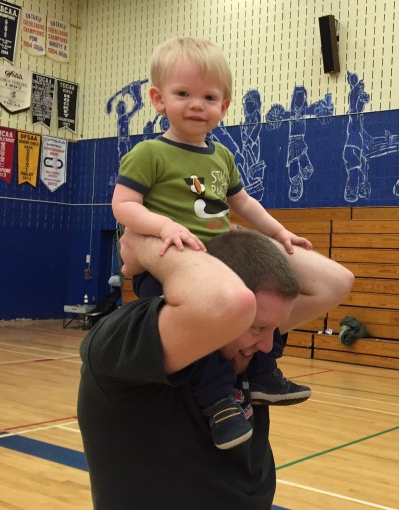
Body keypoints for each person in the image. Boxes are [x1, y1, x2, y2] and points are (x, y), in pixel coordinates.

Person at [111, 36, 314, 450]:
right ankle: (218, 402)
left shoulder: (221, 156)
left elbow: (243, 202)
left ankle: (262, 370)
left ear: (225, 105)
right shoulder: (149, 153)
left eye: (209, 96)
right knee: (205, 327)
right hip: (169, 263)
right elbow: (123, 205)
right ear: (157, 98)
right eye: (183, 94)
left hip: (219, 259)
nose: (197, 105)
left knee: (268, 300)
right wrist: (163, 226)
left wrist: (278, 232)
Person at [77, 228, 354, 509]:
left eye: (275, 328)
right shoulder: (124, 341)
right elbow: (226, 302)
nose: (269, 347)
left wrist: (221, 225)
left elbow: (336, 283)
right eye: (257, 326)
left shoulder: (244, 348)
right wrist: (144, 242)